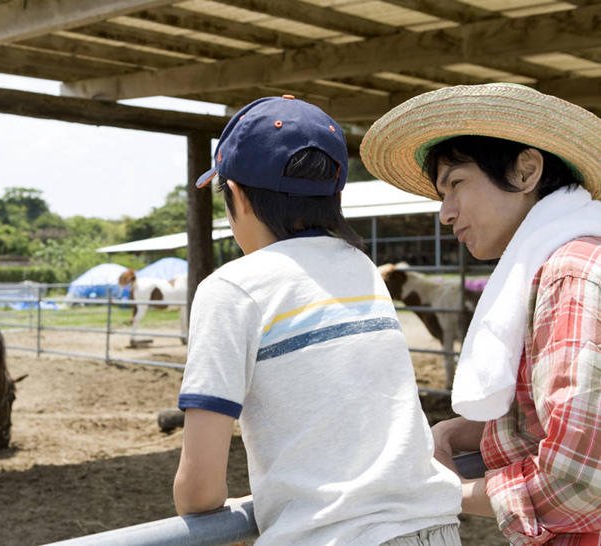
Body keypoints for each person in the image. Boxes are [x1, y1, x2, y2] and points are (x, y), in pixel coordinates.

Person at [173, 95, 462, 545]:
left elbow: (199, 487)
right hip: (433, 530)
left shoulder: (230, 289)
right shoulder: (362, 269)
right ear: (336, 195)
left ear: (235, 196)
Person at [360, 82, 601, 545]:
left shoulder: (567, 277)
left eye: (456, 184)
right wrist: (461, 431)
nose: (445, 214)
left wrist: (447, 490)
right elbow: (562, 409)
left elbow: (580, 480)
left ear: (526, 171)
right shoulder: (567, 263)